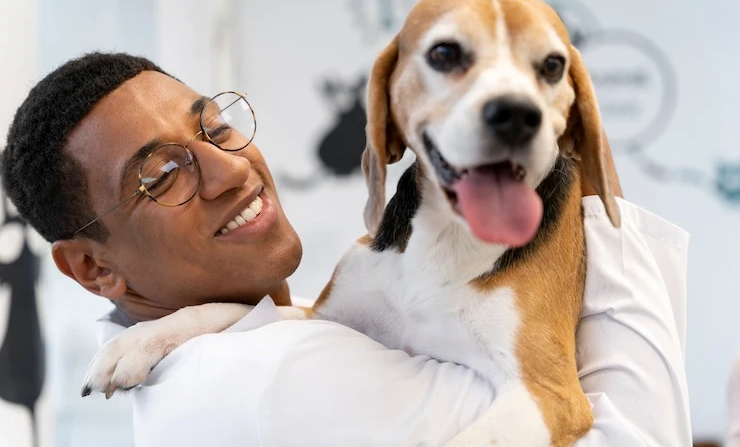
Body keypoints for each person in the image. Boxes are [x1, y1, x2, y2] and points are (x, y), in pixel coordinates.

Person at [1, 52, 692, 446]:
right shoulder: (274, 380)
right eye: (160, 176)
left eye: (215, 128)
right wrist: (586, 197)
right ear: (93, 267)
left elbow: (311, 322)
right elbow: (628, 435)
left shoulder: (218, 358)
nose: (232, 168)